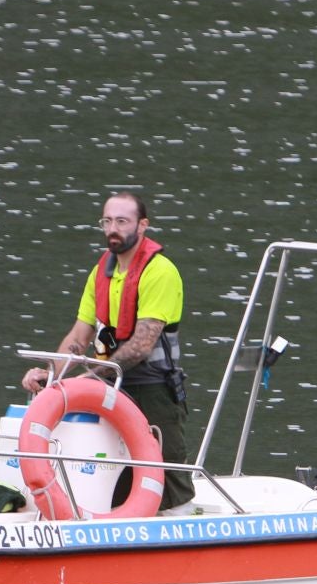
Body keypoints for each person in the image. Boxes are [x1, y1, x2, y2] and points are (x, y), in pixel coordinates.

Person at [22, 191, 194, 511]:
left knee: (169, 474)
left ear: (142, 226)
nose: (113, 228)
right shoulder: (102, 272)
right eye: (107, 220)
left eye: (122, 221)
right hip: (107, 385)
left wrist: (85, 378)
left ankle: (178, 528)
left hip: (153, 388)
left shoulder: (160, 271)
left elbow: (141, 346)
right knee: (109, 472)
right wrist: (52, 376)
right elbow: (79, 335)